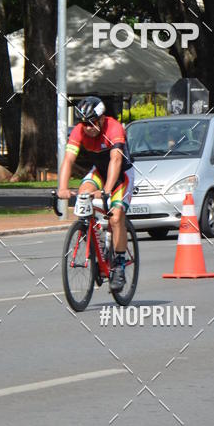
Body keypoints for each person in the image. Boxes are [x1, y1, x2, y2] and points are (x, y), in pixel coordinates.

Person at [57, 96, 134, 291]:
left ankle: (119, 264)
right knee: (83, 192)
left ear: (101, 119)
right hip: (99, 171)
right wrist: (63, 188)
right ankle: (95, 238)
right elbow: (68, 160)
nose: (88, 127)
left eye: (92, 122)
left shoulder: (114, 128)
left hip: (122, 175)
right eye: (84, 123)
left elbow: (116, 160)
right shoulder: (79, 131)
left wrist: (107, 192)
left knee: (116, 218)